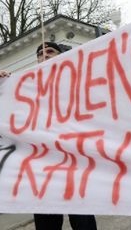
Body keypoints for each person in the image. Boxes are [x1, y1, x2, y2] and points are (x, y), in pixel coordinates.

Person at [32, 41, 98, 230]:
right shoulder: (26, 87)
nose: (44, 55)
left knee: (82, 221)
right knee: (46, 224)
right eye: (40, 54)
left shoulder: (77, 81)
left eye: (50, 51)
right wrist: (1, 81)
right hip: (42, 169)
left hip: (74, 164)